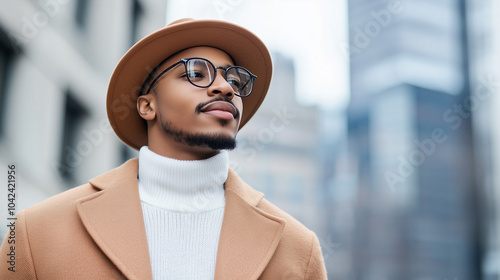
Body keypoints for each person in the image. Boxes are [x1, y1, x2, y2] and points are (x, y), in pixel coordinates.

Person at [0, 18, 327, 279]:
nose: (225, 87)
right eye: (197, 73)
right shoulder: (37, 233)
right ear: (147, 106)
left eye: (236, 81)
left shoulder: (297, 249)